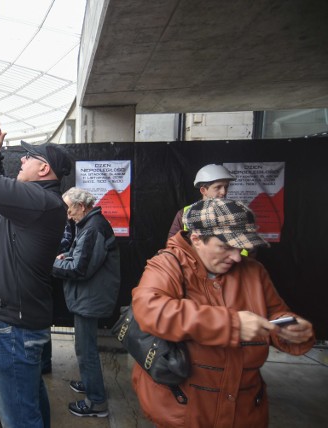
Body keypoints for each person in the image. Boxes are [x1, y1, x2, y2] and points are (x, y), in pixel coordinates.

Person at [132, 198, 315, 427]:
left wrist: (291, 330)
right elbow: (150, 309)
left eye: (242, 247)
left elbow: (275, 314)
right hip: (185, 412)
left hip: (244, 411)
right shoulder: (167, 264)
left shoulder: (254, 272)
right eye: (226, 247)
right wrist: (232, 324)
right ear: (197, 239)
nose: (237, 257)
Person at [0, 121, 72, 428]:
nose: (21, 160)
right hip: (17, 324)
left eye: (28, 157)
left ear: (43, 169)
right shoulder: (36, 201)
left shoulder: (40, 201)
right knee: (29, 403)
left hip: (14, 328)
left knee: (19, 417)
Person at [52, 187, 120, 418]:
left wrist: (49, 265)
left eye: (70, 210)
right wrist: (67, 256)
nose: (68, 216)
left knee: (85, 350)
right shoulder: (92, 224)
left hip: (90, 299)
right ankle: (91, 383)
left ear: (81, 206)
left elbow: (80, 269)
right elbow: (82, 256)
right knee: (86, 348)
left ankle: (96, 402)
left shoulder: (92, 228)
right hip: (90, 296)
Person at [168, 164, 235, 239]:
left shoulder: (236, 213)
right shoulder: (184, 214)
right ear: (203, 190)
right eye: (218, 187)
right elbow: (173, 245)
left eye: (226, 187)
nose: (224, 192)